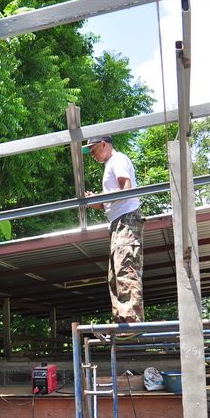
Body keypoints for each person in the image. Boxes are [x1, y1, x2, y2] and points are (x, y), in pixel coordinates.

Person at [83, 135, 145, 324]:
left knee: (125, 269)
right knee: (115, 274)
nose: (92, 154)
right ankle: (122, 321)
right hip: (118, 222)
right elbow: (111, 202)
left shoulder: (117, 159)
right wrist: (97, 202)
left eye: (93, 149)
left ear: (104, 144)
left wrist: (102, 199)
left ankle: (131, 322)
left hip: (127, 219)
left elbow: (126, 188)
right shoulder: (110, 164)